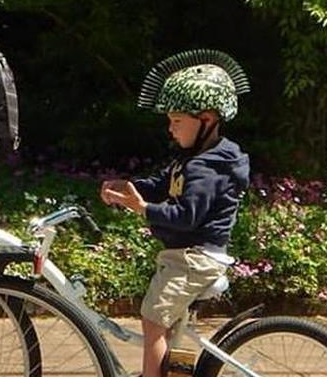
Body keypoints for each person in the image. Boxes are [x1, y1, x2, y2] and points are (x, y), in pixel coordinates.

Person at [100, 50, 251, 377]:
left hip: (195, 258)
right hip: (185, 256)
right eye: (169, 121)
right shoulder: (195, 157)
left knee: (152, 319)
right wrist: (130, 186)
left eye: (177, 121)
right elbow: (162, 183)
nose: (170, 129)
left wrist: (143, 209)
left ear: (207, 120)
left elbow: (186, 216)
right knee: (164, 325)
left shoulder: (208, 167)